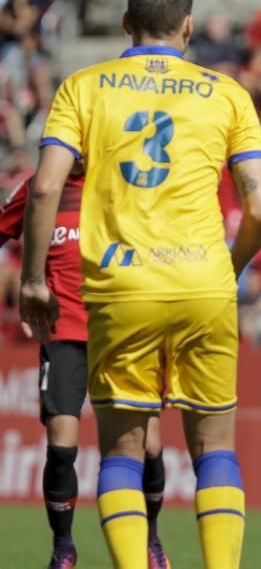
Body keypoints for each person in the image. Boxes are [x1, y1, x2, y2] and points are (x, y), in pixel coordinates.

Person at [19, 0, 261, 569]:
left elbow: (45, 188)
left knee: (122, 454)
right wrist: (228, 268)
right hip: (204, 283)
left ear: (126, 24)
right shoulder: (228, 93)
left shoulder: (84, 87)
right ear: (188, 26)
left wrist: (34, 279)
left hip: (120, 287)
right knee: (214, 448)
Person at [0, 170, 171, 569]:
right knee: (61, 446)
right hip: (64, 331)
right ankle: (63, 549)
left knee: (149, 445)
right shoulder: (40, 187)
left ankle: (152, 539)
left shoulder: (125, 175)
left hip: (124, 329)